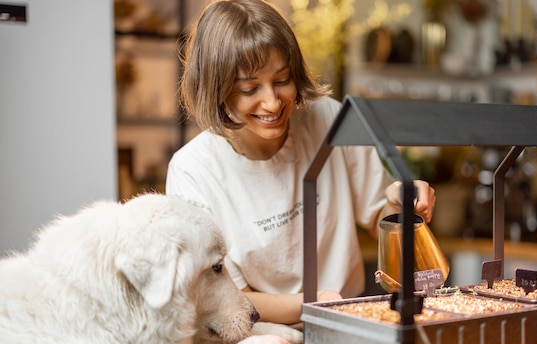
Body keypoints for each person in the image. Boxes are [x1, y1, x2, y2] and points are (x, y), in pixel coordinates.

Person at [166, 0, 436, 326]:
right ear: (216, 90)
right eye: (250, 88)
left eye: (282, 80)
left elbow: (379, 213)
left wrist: (401, 205)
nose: (272, 101)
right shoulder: (193, 171)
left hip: (346, 323)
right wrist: (311, 303)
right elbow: (223, 297)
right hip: (260, 338)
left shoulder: (330, 119)